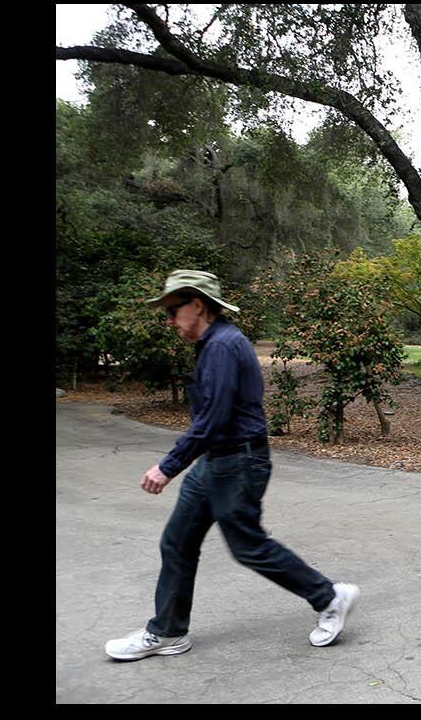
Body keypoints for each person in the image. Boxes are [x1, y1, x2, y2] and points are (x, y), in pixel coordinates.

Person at [105, 269, 360, 661]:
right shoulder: (212, 344)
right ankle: (168, 631)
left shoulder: (223, 346)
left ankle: (328, 597)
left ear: (198, 305)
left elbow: (212, 419)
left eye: (173, 310)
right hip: (216, 461)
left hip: (238, 462)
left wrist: (168, 466)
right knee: (178, 541)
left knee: (247, 546)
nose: (169, 320)